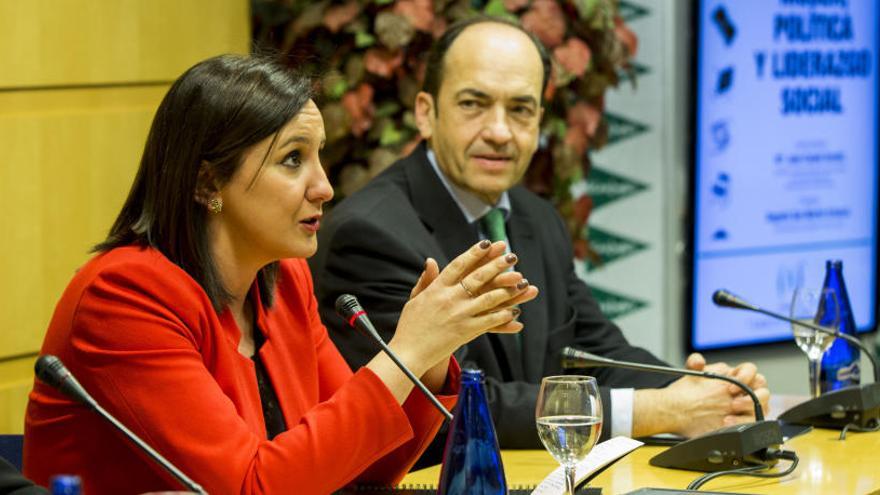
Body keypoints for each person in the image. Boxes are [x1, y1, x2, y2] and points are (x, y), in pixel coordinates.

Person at [23, 54, 537, 494]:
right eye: (293, 160)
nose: (325, 188)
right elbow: (250, 487)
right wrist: (407, 352)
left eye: (319, 157)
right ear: (207, 183)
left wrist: (432, 352)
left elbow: (363, 473)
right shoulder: (125, 297)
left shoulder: (286, 282)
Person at [310, 17, 769, 458]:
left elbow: (596, 351)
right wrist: (664, 410)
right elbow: (453, 409)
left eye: (520, 109)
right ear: (426, 114)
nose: (499, 132)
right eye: (473, 104)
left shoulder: (535, 217)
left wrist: (705, 392)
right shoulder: (371, 235)